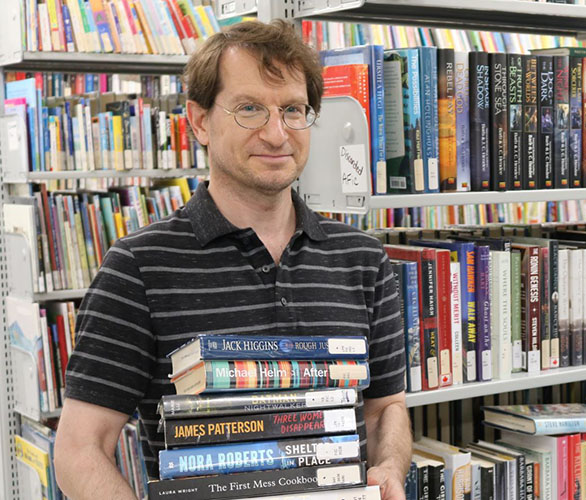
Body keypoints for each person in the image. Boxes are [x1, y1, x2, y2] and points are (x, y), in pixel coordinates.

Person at [53, 20, 410, 500]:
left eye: (293, 110)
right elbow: (79, 449)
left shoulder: (362, 259)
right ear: (198, 121)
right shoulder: (138, 266)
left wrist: (389, 465)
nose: (277, 133)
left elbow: (386, 407)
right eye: (249, 109)